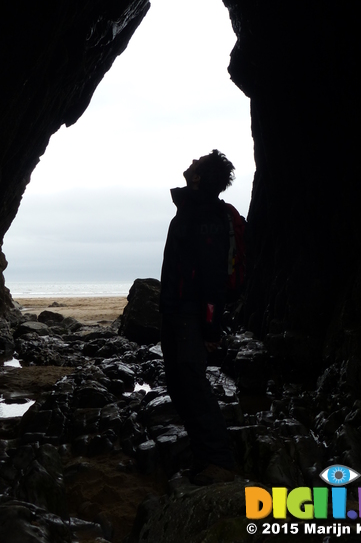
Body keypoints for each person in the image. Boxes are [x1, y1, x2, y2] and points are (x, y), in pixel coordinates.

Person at [159, 149, 237, 485]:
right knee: (179, 384)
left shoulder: (206, 216)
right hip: (177, 313)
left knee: (193, 385)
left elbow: (212, 277)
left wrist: (210, 327)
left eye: (197, 162)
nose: (190, 162)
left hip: (190, 316)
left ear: (200, 177)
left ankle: (219, 463)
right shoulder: (192, 209)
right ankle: (204, 457)